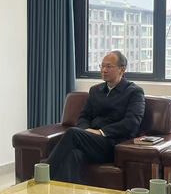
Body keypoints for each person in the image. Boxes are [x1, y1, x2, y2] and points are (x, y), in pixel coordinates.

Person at [48, 50, 145, 184]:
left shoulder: (134, 92)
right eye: (102, 66)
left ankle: (41, 175)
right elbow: (84, 116)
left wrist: (100, 132)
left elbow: (132, 122)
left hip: (113, 143)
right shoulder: (95, 90)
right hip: (91, 140)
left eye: (109, 66)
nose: (104, 70)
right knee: (73, 154)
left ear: (122, 69)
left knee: (72, 133)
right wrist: (86, 131)